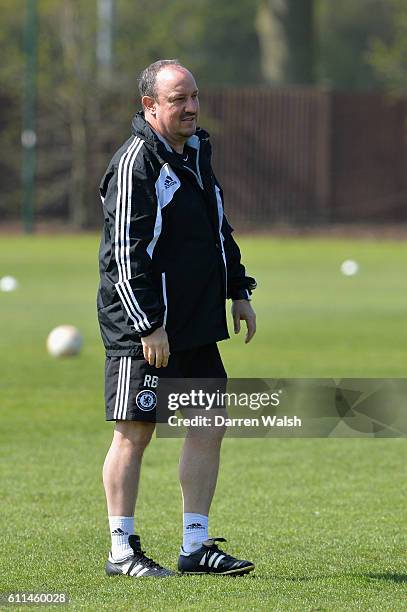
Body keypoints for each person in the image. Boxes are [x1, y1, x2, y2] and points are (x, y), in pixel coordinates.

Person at [97, 59, 257, 578]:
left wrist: (237, 289)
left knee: (209, 424)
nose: (190, 107)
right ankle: (122, 550)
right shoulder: (136, 163)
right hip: (143, 329)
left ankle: (196, 545)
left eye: (193, 97)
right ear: (150, 106)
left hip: (193, 322)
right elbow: (125, 254)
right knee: (135, 432)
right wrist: (148, 324)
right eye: (177, 99)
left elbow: (216, 226)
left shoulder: (195, 154)